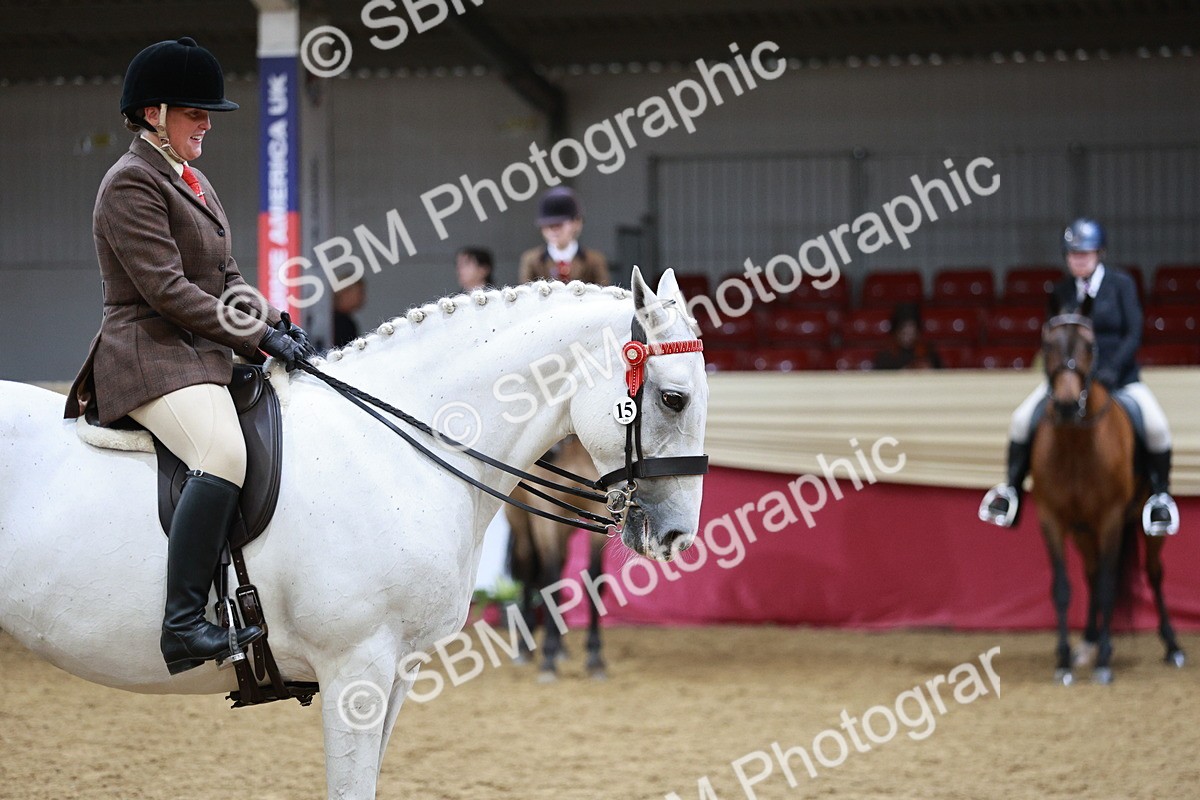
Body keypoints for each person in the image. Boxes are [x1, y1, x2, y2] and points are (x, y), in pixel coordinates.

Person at [63, 37, 313, 675]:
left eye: (208, 113)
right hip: (147, 352)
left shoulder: (193, 182)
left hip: (197, 350)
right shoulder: (129, 183)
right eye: (195, 112)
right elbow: (168, 291)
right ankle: (183, 625)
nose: (207, 122)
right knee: (222, 452)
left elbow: (227, 278)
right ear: (154, 114)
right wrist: (253, 337)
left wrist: (273, 322)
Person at [979, 218, 1179, 535]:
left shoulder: (1121, 284)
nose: (1078, 260)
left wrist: (1111, 371)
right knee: (1020, 420)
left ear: (1099, 253)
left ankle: (1159, 497)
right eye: (1073, 255)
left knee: (1157, 426)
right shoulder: (1060, 291)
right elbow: (1049, 341)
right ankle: (1011, 492)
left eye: (1084, 254)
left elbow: (1134, 332)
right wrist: (1056, 376)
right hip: (1069, 383)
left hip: (1120, 379)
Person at [518, 187, 610, 284]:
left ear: (576, 223)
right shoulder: (532, 261)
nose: (553, 230)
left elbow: (602, 296)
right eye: (548, 225)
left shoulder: (594, 261)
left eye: (559, 225)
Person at [872, 302, 942, 370]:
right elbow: (877, 377)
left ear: (917, 332)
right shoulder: (886, 355)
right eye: (904, 331)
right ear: (896, 332)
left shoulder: (927, 352)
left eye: (911, 330)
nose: (908, 335)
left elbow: (942, 374)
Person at [332, 278, 366, 347]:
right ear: (345, 293)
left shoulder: (343, 320)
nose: (363, 298)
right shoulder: (342, 323)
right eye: (360, 293)